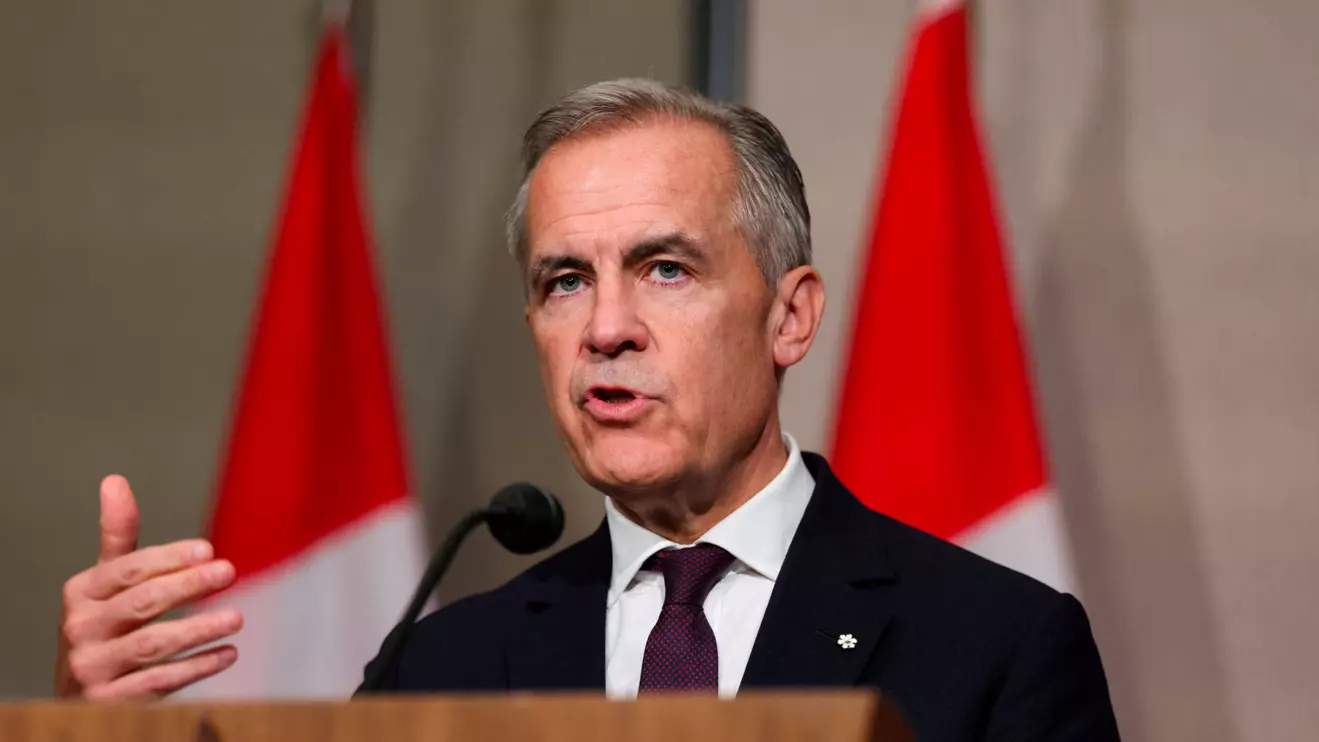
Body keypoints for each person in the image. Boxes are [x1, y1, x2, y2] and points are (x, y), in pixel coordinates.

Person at [55, 79, 1120, 741]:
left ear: (789, 318)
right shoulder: (441, 671)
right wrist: (87, 739)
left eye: (663, 268)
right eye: (564, 281)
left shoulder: (995, 646)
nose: (604, 327)